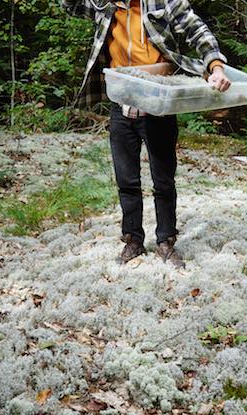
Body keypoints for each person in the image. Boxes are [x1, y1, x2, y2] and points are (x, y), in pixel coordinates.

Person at [61, 0, 231, 268]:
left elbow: (197, 30)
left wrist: (216, 67)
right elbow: (71, 6)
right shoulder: (103, 4)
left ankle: (165, 241)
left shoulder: (165, 2)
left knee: (163, 181)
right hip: (121, 101)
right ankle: (133, 240)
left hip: (158, 102)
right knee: (126, 180)